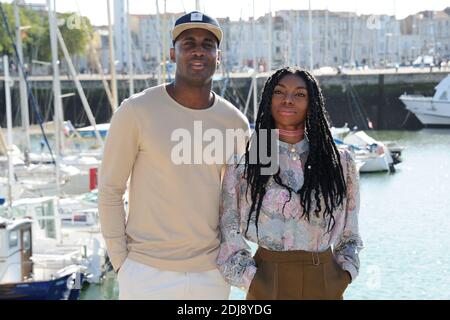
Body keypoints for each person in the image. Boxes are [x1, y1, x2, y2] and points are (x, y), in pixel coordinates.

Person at [98, 11, 250, 300]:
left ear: (218, 56)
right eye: (188, 42)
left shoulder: (235, 122)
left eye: (208, 44)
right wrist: (122, 264)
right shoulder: (135, 111)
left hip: (212, 275)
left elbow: (242, 199)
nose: (198, 50)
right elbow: (109, 191)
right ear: (172, 53)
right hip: (146, 274)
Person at [216, 67, 363, 300]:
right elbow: (229, 231)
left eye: (299, 94)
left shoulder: (340, 162)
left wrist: (343, 276)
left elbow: (350, 234)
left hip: (325, 280)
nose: (288, 99)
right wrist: (254, 282)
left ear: (312, 102)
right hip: (267, 279)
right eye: (279, 92)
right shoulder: (248, 162)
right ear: (268, 99)